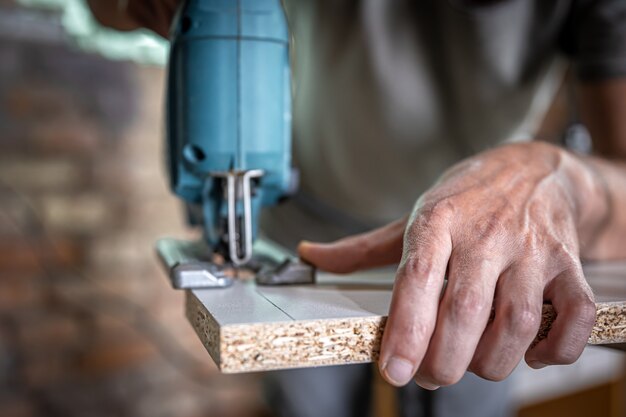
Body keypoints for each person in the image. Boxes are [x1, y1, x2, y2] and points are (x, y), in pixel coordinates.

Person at [88, 1, 626, 416]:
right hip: (308, 235)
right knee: (308, 407)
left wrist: (559, 176)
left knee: (467, 391)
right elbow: (100, 10)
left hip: (480, 249)